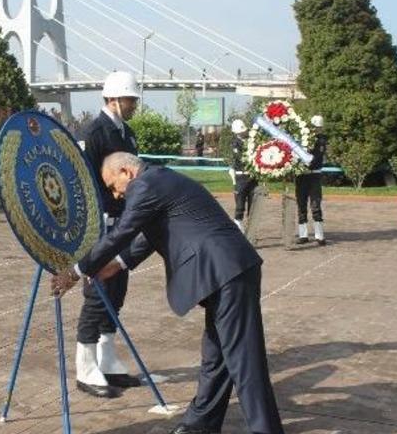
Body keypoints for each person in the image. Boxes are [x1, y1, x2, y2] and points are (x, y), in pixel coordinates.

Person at [52, 153, 284, 434]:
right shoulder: (159, 180)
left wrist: (75, 271)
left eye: (114, 186)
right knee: (216, 357)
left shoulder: (145, 185)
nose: (115, 195)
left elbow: (123, 231)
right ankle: (200, 425)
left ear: (126, 171)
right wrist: (119, 264)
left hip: (225, 272)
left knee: (244, 360)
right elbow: (151, 233)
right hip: (223, 272)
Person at [74, 71, 142, 398]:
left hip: (123, 222)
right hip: (101, 223)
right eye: (130, 100)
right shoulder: (94, 133)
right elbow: (85, 183)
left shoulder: (126, 133)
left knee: (116, 294)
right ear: (113, 99)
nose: (134, 105)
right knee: (97, 294)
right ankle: (85, 366)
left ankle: (107, 358)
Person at [295, 115, 327, 245]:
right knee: (301, 205)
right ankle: (303, 235)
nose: (316, 129)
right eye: (314, 127)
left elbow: (319, 156)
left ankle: (319, 235)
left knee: (315, 204)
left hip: (314, 175)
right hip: (302, 175)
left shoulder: (323, 140)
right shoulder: (301, 139)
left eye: (318, 127)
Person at [229, 119, 256, 233]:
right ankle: (238, 231)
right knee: (240, 207)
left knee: (253, 207)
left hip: (252, 178)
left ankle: (251, 233)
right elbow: (241, 158)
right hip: (241, 178)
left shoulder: (251, 141)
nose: (243, 133)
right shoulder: (235, 143)